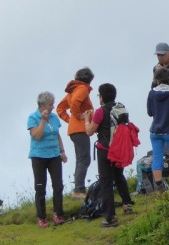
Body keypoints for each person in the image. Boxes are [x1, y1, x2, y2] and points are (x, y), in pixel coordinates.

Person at [84, 83, 135, 228]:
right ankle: (127, 205)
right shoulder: (121, 108)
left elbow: (89, 131)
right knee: (119, 177)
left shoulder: (101, 111)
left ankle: (110, 217)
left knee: (106, 181)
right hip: (119, 148)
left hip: (105, 150)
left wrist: (86, 120)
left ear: (101, 97)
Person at [29, 91, 69, 228]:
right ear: (42, 105)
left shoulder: (54, 117)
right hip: (38, 156)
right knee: (40, 187)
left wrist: (62, 151)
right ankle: (41, 217)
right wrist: (43, 120)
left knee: (58, 185)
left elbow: (57, 135)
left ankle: (58, 214)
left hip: (54, 155)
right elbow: (37, 136)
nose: (53, 107)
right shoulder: (33, 117)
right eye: (50, 104)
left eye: (53, 103)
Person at [57, 67, 95, 199]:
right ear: (89, 79)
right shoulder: (82, 88)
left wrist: (70, 120)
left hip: (75, 129)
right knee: (84, 158)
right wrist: (79, 116)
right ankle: (78, 190)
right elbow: (74, 103)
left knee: (81, 159)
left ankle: (78, 189)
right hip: (80, 129)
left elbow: (60, 108)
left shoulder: (72, 90)